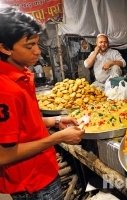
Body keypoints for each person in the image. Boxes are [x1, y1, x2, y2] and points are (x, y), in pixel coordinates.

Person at [0, 6, 84, 199]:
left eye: (38, 43)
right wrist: (59, 137)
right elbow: (3, 155)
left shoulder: (22, 74)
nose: (38, 52)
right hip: (33, 183)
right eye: (29, 46)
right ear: (4, 47)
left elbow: (24, 123)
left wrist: (55, 121)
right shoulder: (5, 89)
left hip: (43, 171)